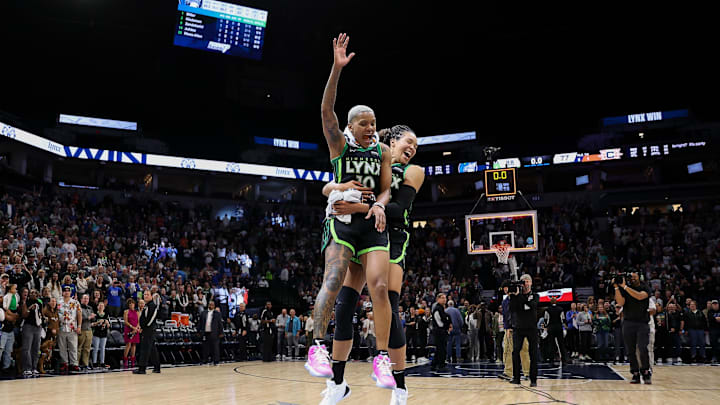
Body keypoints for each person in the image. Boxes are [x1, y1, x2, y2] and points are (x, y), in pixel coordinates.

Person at [306, 33, 395, 400]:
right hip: (342, 224)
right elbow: (326, 111)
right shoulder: (339, 145)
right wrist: (336, 69)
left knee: (378, 286)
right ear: (351, 125)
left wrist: (378, 204)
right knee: (334, 277)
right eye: (365, 123)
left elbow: (387, 188)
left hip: (371, 225)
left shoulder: (384, 151)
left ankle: (382, 357)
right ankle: (317, 347)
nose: (371, 128)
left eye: (374, 123)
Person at [319, 123, 423, 404]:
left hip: (393, 235)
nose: (412, 148)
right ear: (392, 140)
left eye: (416, 145)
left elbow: (398, 210)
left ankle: (399, 389)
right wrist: (336, 191)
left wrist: (359, 207)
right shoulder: (373, 159)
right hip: (362, 231)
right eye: (409, 142)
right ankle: (338, 383)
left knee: (388, 304)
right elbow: (333, 185)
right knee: (343, 306)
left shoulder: (414, 171)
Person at [614, 271, 652, 384]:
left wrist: (624, 287)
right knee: (630, 350)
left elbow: (640, 296)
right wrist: (616, 287)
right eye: (631, 277)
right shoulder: (625, 288)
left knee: (642, 348)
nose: (633, 278)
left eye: (635, 276)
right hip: (628, 322)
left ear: (639, 277)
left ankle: (645, 372)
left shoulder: (645, 287)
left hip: (642, 323)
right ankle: (635, 373)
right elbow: (620, 302)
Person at [509, 274, 539, 387]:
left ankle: (533, 379)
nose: (525, 284)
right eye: (523, 281)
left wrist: (521, 300)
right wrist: (514, 295)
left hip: (531, 328)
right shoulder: (517, 295)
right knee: (515, 351)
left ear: (531, 283)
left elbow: (532, 305)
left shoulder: (535, 295)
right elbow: (512, 308)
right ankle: (516, 377)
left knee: (533, 353)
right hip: (519, 327)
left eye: (527, 281)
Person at [500, 281, 529, 380]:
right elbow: (505, 316)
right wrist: (507, 327)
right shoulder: (505, 302)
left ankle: (527, 372)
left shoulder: (521, 299)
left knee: (524, 350)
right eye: (504, 289)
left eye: (506, 288)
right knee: (507, 350)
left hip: (521, 327)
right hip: (510, 329)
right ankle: (508, 372)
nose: (505, 290)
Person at [133, 291, 161, 374]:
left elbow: (151, 319)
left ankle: (142, 369)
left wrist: (144, 328)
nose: (145, 296)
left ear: (151, 296)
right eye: (144, 294)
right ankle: (157, 367)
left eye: (147, 295)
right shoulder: (147, 305)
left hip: (149, 330)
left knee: (145, 349)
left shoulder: (153, 306)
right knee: (152, 349)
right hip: (146, 329)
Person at [57, 285, 82, 374]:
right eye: (65, 291)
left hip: (72, 328)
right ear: (62, 292)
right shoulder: (58, 302)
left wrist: (79, 326)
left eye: (68, 291)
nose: (66, 292)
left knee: (73, 346)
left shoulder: (75, 302)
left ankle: (74, 363)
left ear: (70, 292)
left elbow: (79, 314)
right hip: (61, 327)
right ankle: (64, 363)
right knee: (62, 347)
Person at [21, 288, 43, 377]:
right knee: (27, 348)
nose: (33, 294)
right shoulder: (26, 302)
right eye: (32, 293)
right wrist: (30, 309)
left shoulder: (40, 303)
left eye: (35, 292)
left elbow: (41, 314)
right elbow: (24, 315)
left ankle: (34, 367)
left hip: (38, 327)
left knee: (36, 348)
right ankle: (27, 368)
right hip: (28, 326)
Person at [543, 297, 568, 364]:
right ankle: (564, 359)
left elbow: (545, 319)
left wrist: (546, 327)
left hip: (551, 328)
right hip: (559, 327)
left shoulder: (547, 310)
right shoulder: (560, 309)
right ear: (556, 302)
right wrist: (564, 326)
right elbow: (563, 319)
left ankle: (551, 359)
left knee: (551, 343)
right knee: (561, 344)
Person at [198, 300, 223, 366]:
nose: (210, 305)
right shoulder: (203, 313)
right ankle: (205, 361)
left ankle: (216, 361)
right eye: (209, 304)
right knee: (206, 348)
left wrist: (221, 332)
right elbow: (200, 323)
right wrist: (198, 331)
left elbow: (220, 324)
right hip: (205, 332)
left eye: (212, 304)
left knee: (215, 348)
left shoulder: (217, 313)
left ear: (214, 306)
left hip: (215, 333)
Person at [431, 293, 451, 372]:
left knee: (440, 348)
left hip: (442, 331)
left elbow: (446, 319)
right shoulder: (437, 308)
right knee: (441, 349)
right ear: (438, 299)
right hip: (439, 332)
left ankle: (434, 364)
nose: (444, 299)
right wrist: (446, 327)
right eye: (442, 298)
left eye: (445, 298)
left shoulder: (442, 308)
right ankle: (441, 365)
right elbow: (439, 322)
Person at [78, 293, 95, 369]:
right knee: (79, 348)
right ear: (81, 300)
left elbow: (93, 319)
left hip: (89, 329)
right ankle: (76, 364)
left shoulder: (90, 308)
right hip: (82, 329)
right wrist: (88, 318)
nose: (86, 300)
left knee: (87, 348)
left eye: (87, 299)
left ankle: (85, 364)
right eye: (84, 298)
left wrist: (93, 317)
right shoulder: (79, 308)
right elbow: (79, 318)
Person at [92, 301, 110, 369]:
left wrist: (107, 323)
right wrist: (98, 322)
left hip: (104, 333)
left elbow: (108, 325)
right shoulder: (95, 314)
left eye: (102, 306)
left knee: (102, 348)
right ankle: (94, 363)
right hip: (96, 333)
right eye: (100, 305)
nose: (101, 307)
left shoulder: (106, 315)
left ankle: (102, 362)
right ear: (97, 307)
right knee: (95, 348)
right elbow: (92, 324)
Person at [123, 298, 140, 369]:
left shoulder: (137, 312)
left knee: (134, 345)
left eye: (132, 303)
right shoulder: (126, 311)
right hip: (128, 329)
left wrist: (136, 328)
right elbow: (125, 321)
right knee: (128, 344)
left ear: (134, 304)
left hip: (135, 330)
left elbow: (139, 322)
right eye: (129, 303)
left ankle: (132, 360)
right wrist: (132, 327)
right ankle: (125, 360)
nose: (131, 304)